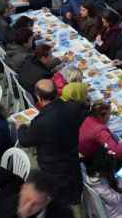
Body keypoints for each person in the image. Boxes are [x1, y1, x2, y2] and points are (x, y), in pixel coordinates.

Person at [16, 79, 85, 207]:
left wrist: (21, 127)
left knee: (57, 204)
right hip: (72, 164)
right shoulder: (73, 107)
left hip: (53, 170)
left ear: (39, 97)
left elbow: (25, 140)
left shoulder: (41, 121)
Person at [0, 169, 75, 218]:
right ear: (22, 189)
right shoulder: (5, 207)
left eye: (35, 204)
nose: (27, 208)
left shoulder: (64, 214)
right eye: (26, 199)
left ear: (46, 202)